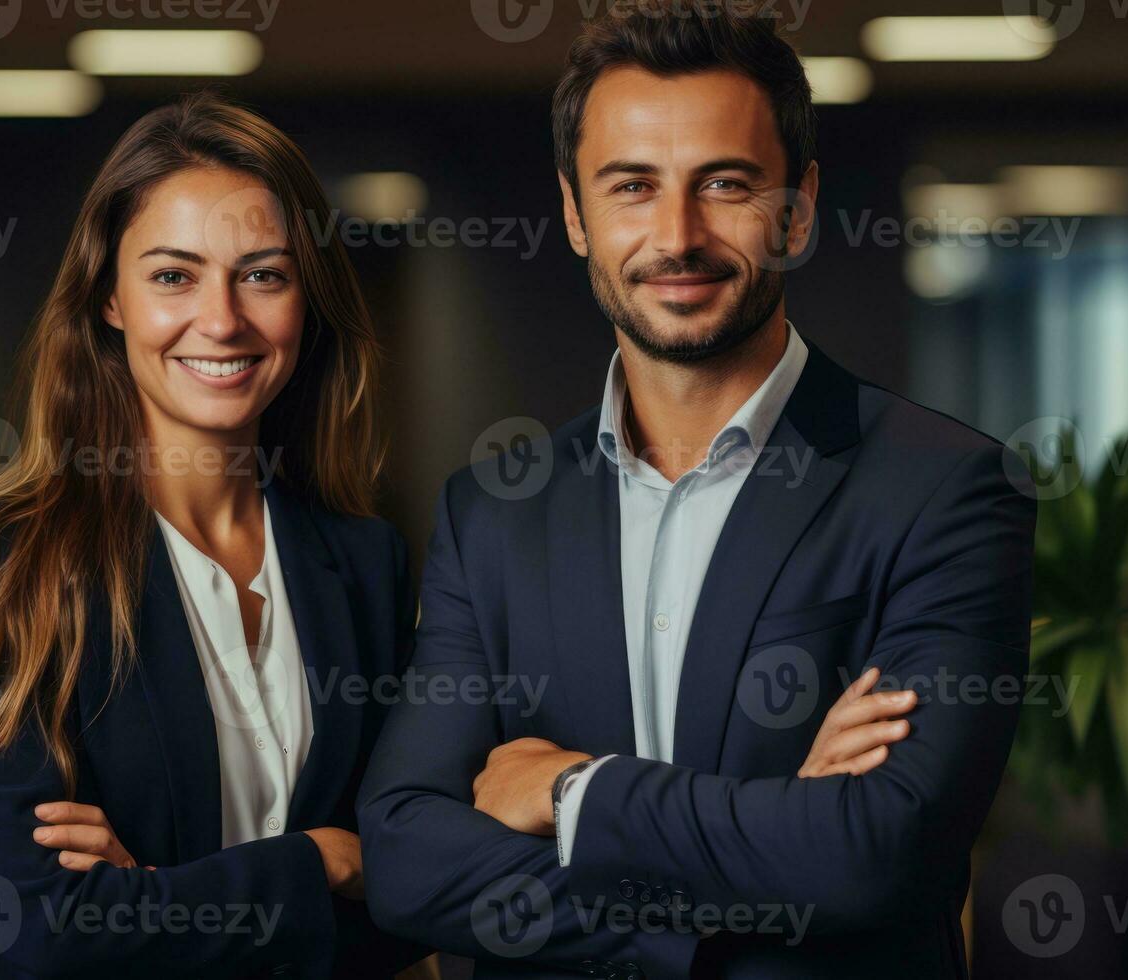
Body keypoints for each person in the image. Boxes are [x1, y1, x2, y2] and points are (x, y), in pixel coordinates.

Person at [358, 5, 1036, 978]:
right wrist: (758, 864)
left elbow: (879, 850)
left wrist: (573, 794)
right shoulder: (498, 510)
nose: (676, 235)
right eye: (632, 186)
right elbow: (408, 858)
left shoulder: (945, 488)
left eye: (725, 184)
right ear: (574, 213)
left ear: (796, 207)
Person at [0, 92, 422, 978]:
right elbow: (46, 926)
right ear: (109, 297)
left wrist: (154, 897)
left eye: (263, 274)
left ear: (307, 299)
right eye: (173, 275)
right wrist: (317, 863)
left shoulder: (365, 561)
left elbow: (412, 895)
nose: (222, 320)